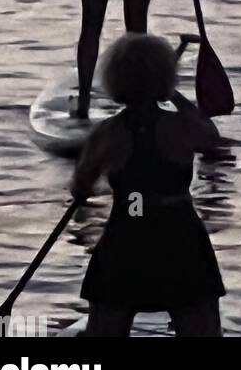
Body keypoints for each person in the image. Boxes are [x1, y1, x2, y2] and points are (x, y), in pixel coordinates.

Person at [72, 33, 225, 337]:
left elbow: (80, 189)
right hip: (181, 239)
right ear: (166, 77)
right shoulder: (181, 126)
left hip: (126, 237)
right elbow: (211, 136)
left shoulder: (106, 134)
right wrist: (172, 94)